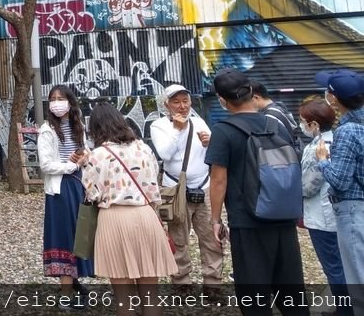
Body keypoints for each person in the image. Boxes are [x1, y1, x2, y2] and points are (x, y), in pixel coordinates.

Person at [205, 69, 308, 316]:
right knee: (291, 290)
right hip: (283, 216)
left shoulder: (223, 131)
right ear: (252, 92)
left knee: (254, 293)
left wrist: (216, 220)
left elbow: (218, 181)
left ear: (221, 99)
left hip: (247, 220)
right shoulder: (275, 124)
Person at [82, 102, 177, 316]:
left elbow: (92, 194)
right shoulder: (144, 149)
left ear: (96, 128)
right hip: (146, 215)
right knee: (150, 292)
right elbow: (154, 182)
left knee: (123, 296)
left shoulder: (97, 156)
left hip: (114, 218)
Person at [149, 84, 223, 288]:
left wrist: (210, 143)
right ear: (166, 105)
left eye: (185, 101)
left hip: (204, 187)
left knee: (211, 238)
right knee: (178, 239)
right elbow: (165, 154)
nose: (182, 106)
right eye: (176, 102)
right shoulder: (158, 126)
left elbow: (212, 154)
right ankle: (181, 282)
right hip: (174, 189)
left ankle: (213, 283)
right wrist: (179, 130)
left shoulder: (199, 122)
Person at [314, 70, 364, 316]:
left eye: (328, 92)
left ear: (333, 99)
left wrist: (323, 160)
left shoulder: (347, 131)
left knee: (357, 279)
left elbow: (340, 180)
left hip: (352, 210)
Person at [37, 84, 94, 297]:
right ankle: (66, 291)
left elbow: (86, 148)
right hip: (61, 188)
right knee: (63, 235)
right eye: (53, 99)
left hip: (80, 185)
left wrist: (85, 157)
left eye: (61, 98)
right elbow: (46, 165)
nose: (56, 103)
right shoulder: (46, 130)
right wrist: (71, 165)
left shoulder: (78, 124)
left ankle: (76, 279)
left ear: (70, 102)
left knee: (81, 233)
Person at [299, 98, 352, 316]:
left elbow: (308, 186)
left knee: (334, 267)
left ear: (315, 125)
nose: (301, 125)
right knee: (346, 264)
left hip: (322, 218)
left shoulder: (317, 148)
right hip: (342, 214)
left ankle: (345, 310)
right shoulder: (341, 138)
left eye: (303, 121)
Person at [251, 81, 302, 152]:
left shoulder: (269, 116)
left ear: (256, 98)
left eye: (247, 100)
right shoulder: (279, 107)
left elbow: (272, 144)